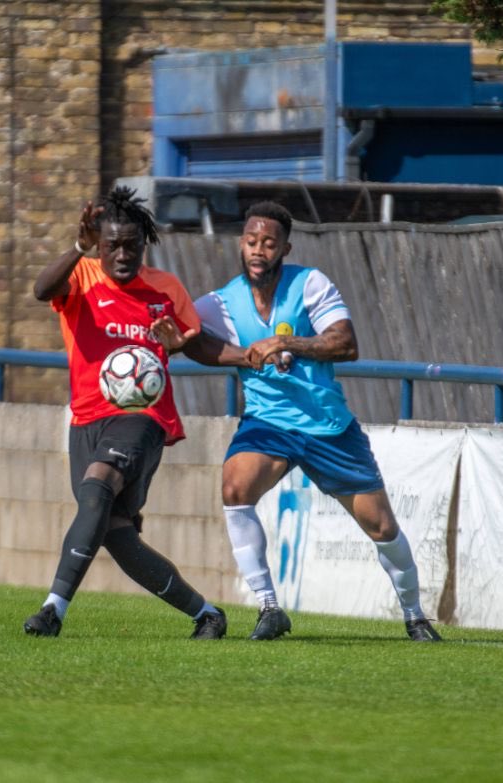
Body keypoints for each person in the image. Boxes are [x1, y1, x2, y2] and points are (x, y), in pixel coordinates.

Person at [152, 201, 442, 642]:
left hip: (327, 426)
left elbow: (345, 344)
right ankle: (269, 607)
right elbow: (192, 340)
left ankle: (415, 615)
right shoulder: (221, 301)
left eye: (268, 243)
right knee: (235, 486)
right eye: (251, 241)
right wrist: (188, 345)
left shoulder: (310, 284)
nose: (258, 250)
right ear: (241, 244)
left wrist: (287, 345)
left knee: (381, 527)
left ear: (285, 247)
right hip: (269, 423)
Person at [23, 185, 231, 639]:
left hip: (144, 416)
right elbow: (41, 290)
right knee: (115, 534)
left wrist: (181, 345)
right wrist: (77, 250)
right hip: (85, 419)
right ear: (98, 244)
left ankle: (53, 609)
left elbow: (191, 342)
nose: (122, 255)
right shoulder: (81, 277)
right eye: (112, 245)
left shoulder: (165, 288)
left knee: (98, 486)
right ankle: (206, 614)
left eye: (131, 246)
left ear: (144, 245)